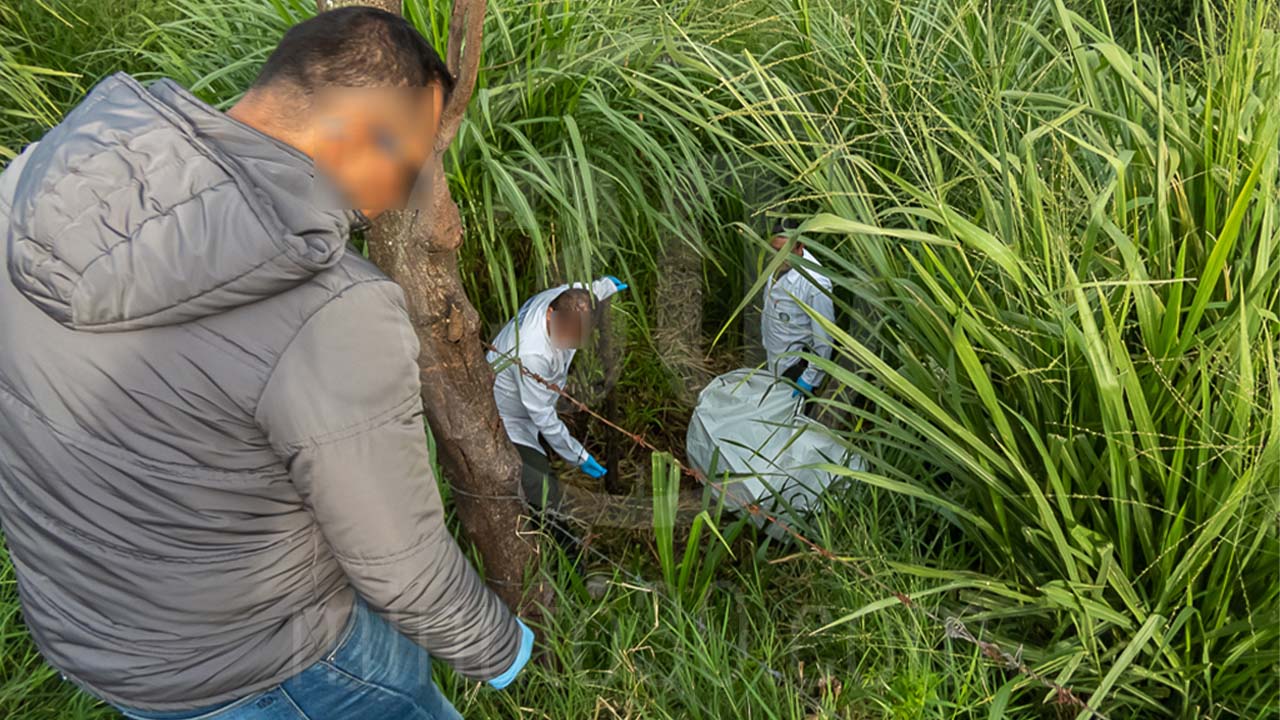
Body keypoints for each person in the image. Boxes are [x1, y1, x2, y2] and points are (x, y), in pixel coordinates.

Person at [0, 8, 532, 720]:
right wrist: (501, 650)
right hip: (269, 666)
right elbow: (400, 566)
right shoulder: (333, 311)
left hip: (88, 629)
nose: (407, 196)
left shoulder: (30, 187)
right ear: (362, 138)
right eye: (412, 168)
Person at [487, 277, 627, 513]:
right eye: (568, 334)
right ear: (551, 314)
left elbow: (584, 292)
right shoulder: (532, 352)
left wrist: (606, 286)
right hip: (506, 415)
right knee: (541, 486)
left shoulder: (563, 300)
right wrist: (578, 456)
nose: (572, 341)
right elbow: (543, 417)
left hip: (535, 396)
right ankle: (552, 528)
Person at [762, 221, 836, 401]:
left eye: (784, 252)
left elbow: (824, 339)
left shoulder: (815, 284)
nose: (777, 257)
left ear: (800, 246)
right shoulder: (778, 265)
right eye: (774, 250)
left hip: (796, 370)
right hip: (774, 360)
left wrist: (808, 380)